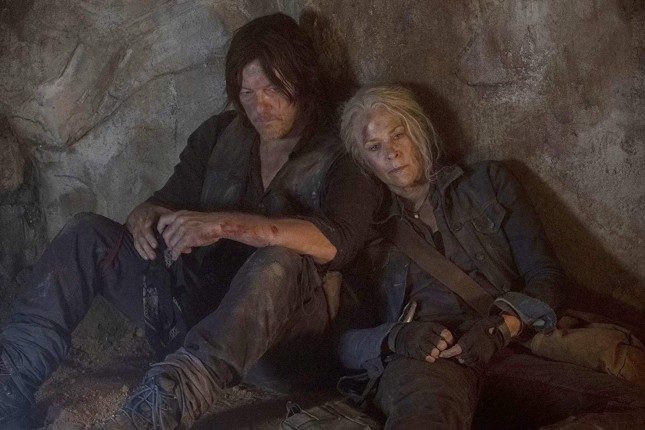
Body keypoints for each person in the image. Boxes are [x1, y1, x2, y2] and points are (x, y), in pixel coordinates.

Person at [0, 13, 381, 430]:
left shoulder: (341, 149)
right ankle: (10, 384)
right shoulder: (220, 134)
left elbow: (339, 240)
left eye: (273, 88)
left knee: (282, 258)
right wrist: (145, 215)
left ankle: (165, 405)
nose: (260, 106)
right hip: (194, 320)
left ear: (302, 80)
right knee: (85, 234)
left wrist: (225, 224)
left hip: (282, 349)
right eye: (247, 92)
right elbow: (168, 201)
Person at [338, 84, 645, 429]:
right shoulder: (365, 228)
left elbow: (546, 276)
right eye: (374, 147)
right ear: (363, 160)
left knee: (633, 406)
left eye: (398, 135)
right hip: (426, 363)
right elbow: (342, 340)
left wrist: (503, 326)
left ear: (419, 130)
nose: (391, 153)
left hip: (502, 346)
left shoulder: (488, 182)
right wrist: (397, 337)